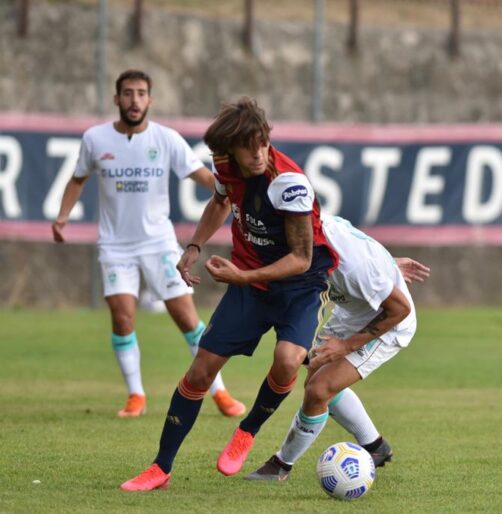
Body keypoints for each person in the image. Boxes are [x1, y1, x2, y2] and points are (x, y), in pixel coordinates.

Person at [120, 96, 339, 491]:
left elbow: (302, 258)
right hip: (251, 285)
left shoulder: (288, 184)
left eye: (262, 142)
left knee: (288, 361)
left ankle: (248, 430)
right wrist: (194, 246)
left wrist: (241, 275)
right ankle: (161, 468)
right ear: (229, 149)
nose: (258, 153)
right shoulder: (224, 167)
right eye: (247, 146)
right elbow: (220, 201)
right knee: (201, 370)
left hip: (299, 287)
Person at [52, 69, 245, 419]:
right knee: (122, 318)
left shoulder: (165, 139)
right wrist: (63, 215)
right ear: (116, 99)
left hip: (158, 244)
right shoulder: (95, 139)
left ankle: (220, 393)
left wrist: (229, 189)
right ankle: (136, 395)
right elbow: (77, 179)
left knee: (187, 319)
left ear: (150, 100)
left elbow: (200, 174)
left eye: (141, 93)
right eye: (128, 93)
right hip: (115, 246)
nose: (134, 100)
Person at [243, 214, 429, 480]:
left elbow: (399, 309)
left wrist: (346, 346)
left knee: (319, 390)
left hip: (389, 321)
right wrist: (388, 265)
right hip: (351, 311)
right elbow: (360, 241)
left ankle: (281, 465)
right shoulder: (310, 227)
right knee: (314, 382)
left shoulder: (354, 267)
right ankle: (375, 447)